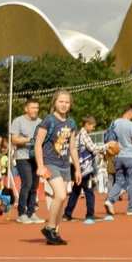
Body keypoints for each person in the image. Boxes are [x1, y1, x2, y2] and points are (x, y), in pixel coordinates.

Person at [36, 89, 77, 245]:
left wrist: (77, 169)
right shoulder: (48, 121)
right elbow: (38, 144)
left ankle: (55, 233)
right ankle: (50, 227)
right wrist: (40, 166)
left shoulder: (71, 123)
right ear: (54, 103)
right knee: (60, 195)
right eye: (61, 101)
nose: (64, 104)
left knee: (60, 200)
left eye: (67, 102)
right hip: (50, 162)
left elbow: (72, 148)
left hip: (65, 165)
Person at [8, 97, 43, 221]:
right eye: (33, 108)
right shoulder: (18, 121)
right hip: (23, 157)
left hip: (36, 157)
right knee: (27, 184)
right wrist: (29, 140)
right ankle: (21, 213)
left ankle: (31, 212)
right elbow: (14, 140)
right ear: (26, 109)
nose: (35, 110)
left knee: (34, 186)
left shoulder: (40, 122)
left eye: (37, 108)